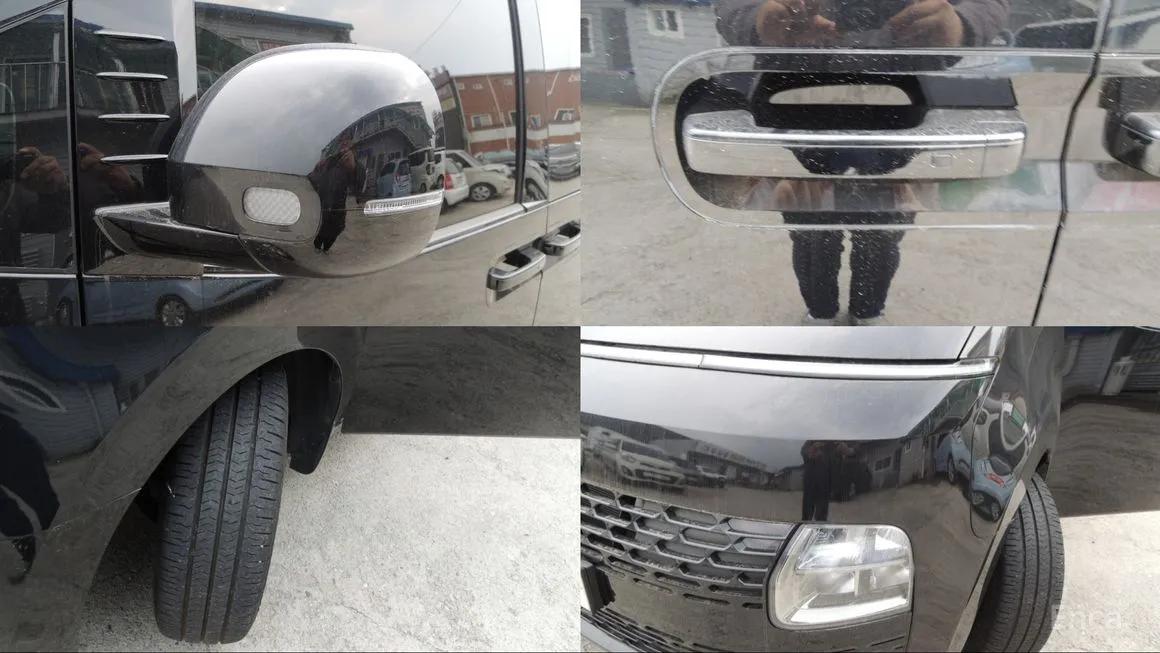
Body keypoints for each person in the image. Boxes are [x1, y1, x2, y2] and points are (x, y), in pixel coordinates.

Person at [308, 131, 365, 254]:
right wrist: (316, 169)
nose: (344, 142)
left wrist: (353, 168)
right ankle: (317, 247)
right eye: (342, 140)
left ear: (352, 142)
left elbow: (357, 187)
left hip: (338, 206)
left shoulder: (353, 163)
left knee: (336, 228)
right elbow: (314, 179)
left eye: (347, 139)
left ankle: (326, 249)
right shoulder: (330, 161)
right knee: (320, 229)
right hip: (322, 203)